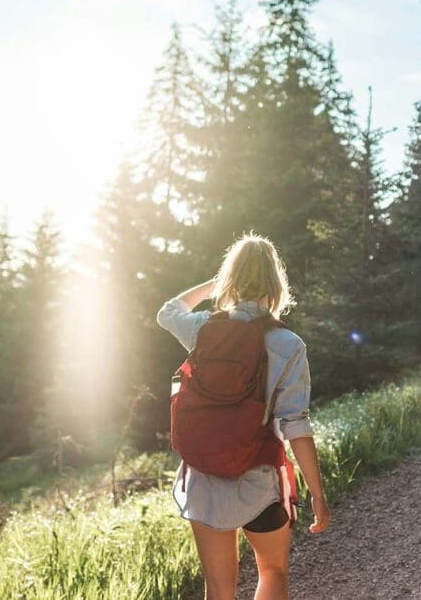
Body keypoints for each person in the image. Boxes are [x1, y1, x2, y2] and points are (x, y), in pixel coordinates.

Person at [156, 233, 330, 600]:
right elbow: (296, 425)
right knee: (273, 571)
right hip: (257, 479)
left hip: (204, 478)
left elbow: (168, 311)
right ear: (276, 283)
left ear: (230, 278)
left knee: (219, 589)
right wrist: (317, 494)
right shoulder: (288, 344)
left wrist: (216, 285)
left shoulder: (203, 329)